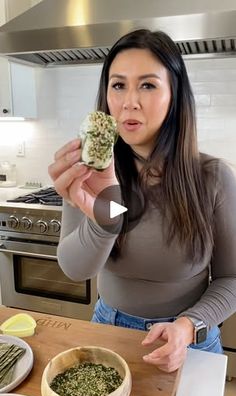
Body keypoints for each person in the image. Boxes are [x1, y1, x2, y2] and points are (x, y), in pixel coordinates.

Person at [48, 29, 236, 373]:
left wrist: (189, 324)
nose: (129, 101)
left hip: (188, 339)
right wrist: (105, 215)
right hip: (108, 328)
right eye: (118, 85)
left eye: (147, 85)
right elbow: (76, 270)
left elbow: (232, 277)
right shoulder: (91, 172)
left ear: (174, 95)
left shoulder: (213, 178)